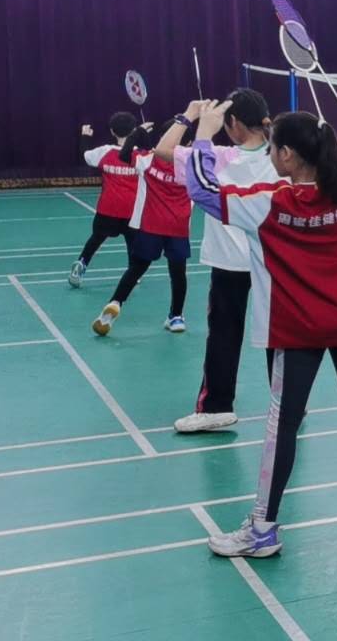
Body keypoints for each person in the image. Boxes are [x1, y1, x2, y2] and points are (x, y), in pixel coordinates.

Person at [188, 101, 337, 558]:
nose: (271, 154)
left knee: (284, 425)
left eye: (273, 148)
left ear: (288, 155)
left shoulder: (267, 204)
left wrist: (204, 135)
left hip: (296, 332)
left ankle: (263, 529)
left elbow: (202, 189)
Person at [175, 89, 279, 434]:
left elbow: (163, 151)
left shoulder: (217, 156)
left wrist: (194, 121)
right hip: (275, 261)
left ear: (231, 122)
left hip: (230, 264)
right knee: (278, 334)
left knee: (223, 335)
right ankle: (290, 401)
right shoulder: (284, 155)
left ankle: (216, 408)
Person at [90, 115, 193, 336]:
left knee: (136, 269)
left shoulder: (148, 160)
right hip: (178, 228)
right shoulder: (193, 166)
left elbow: (124, 154)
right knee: (178, 273)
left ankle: (115, 302)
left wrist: (138, 132)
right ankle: (176, 316)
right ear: (190, 144)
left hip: (150, 227)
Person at [71, 113, 145, 288]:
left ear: (112, 131)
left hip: (107, 208)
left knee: (96, 239)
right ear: (134, 130)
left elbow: (85, 155)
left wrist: (85, 136)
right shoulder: (142, 156)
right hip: (132, 211)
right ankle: (133, 274)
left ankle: (80, 265)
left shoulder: (104, 152)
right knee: (133, 243)